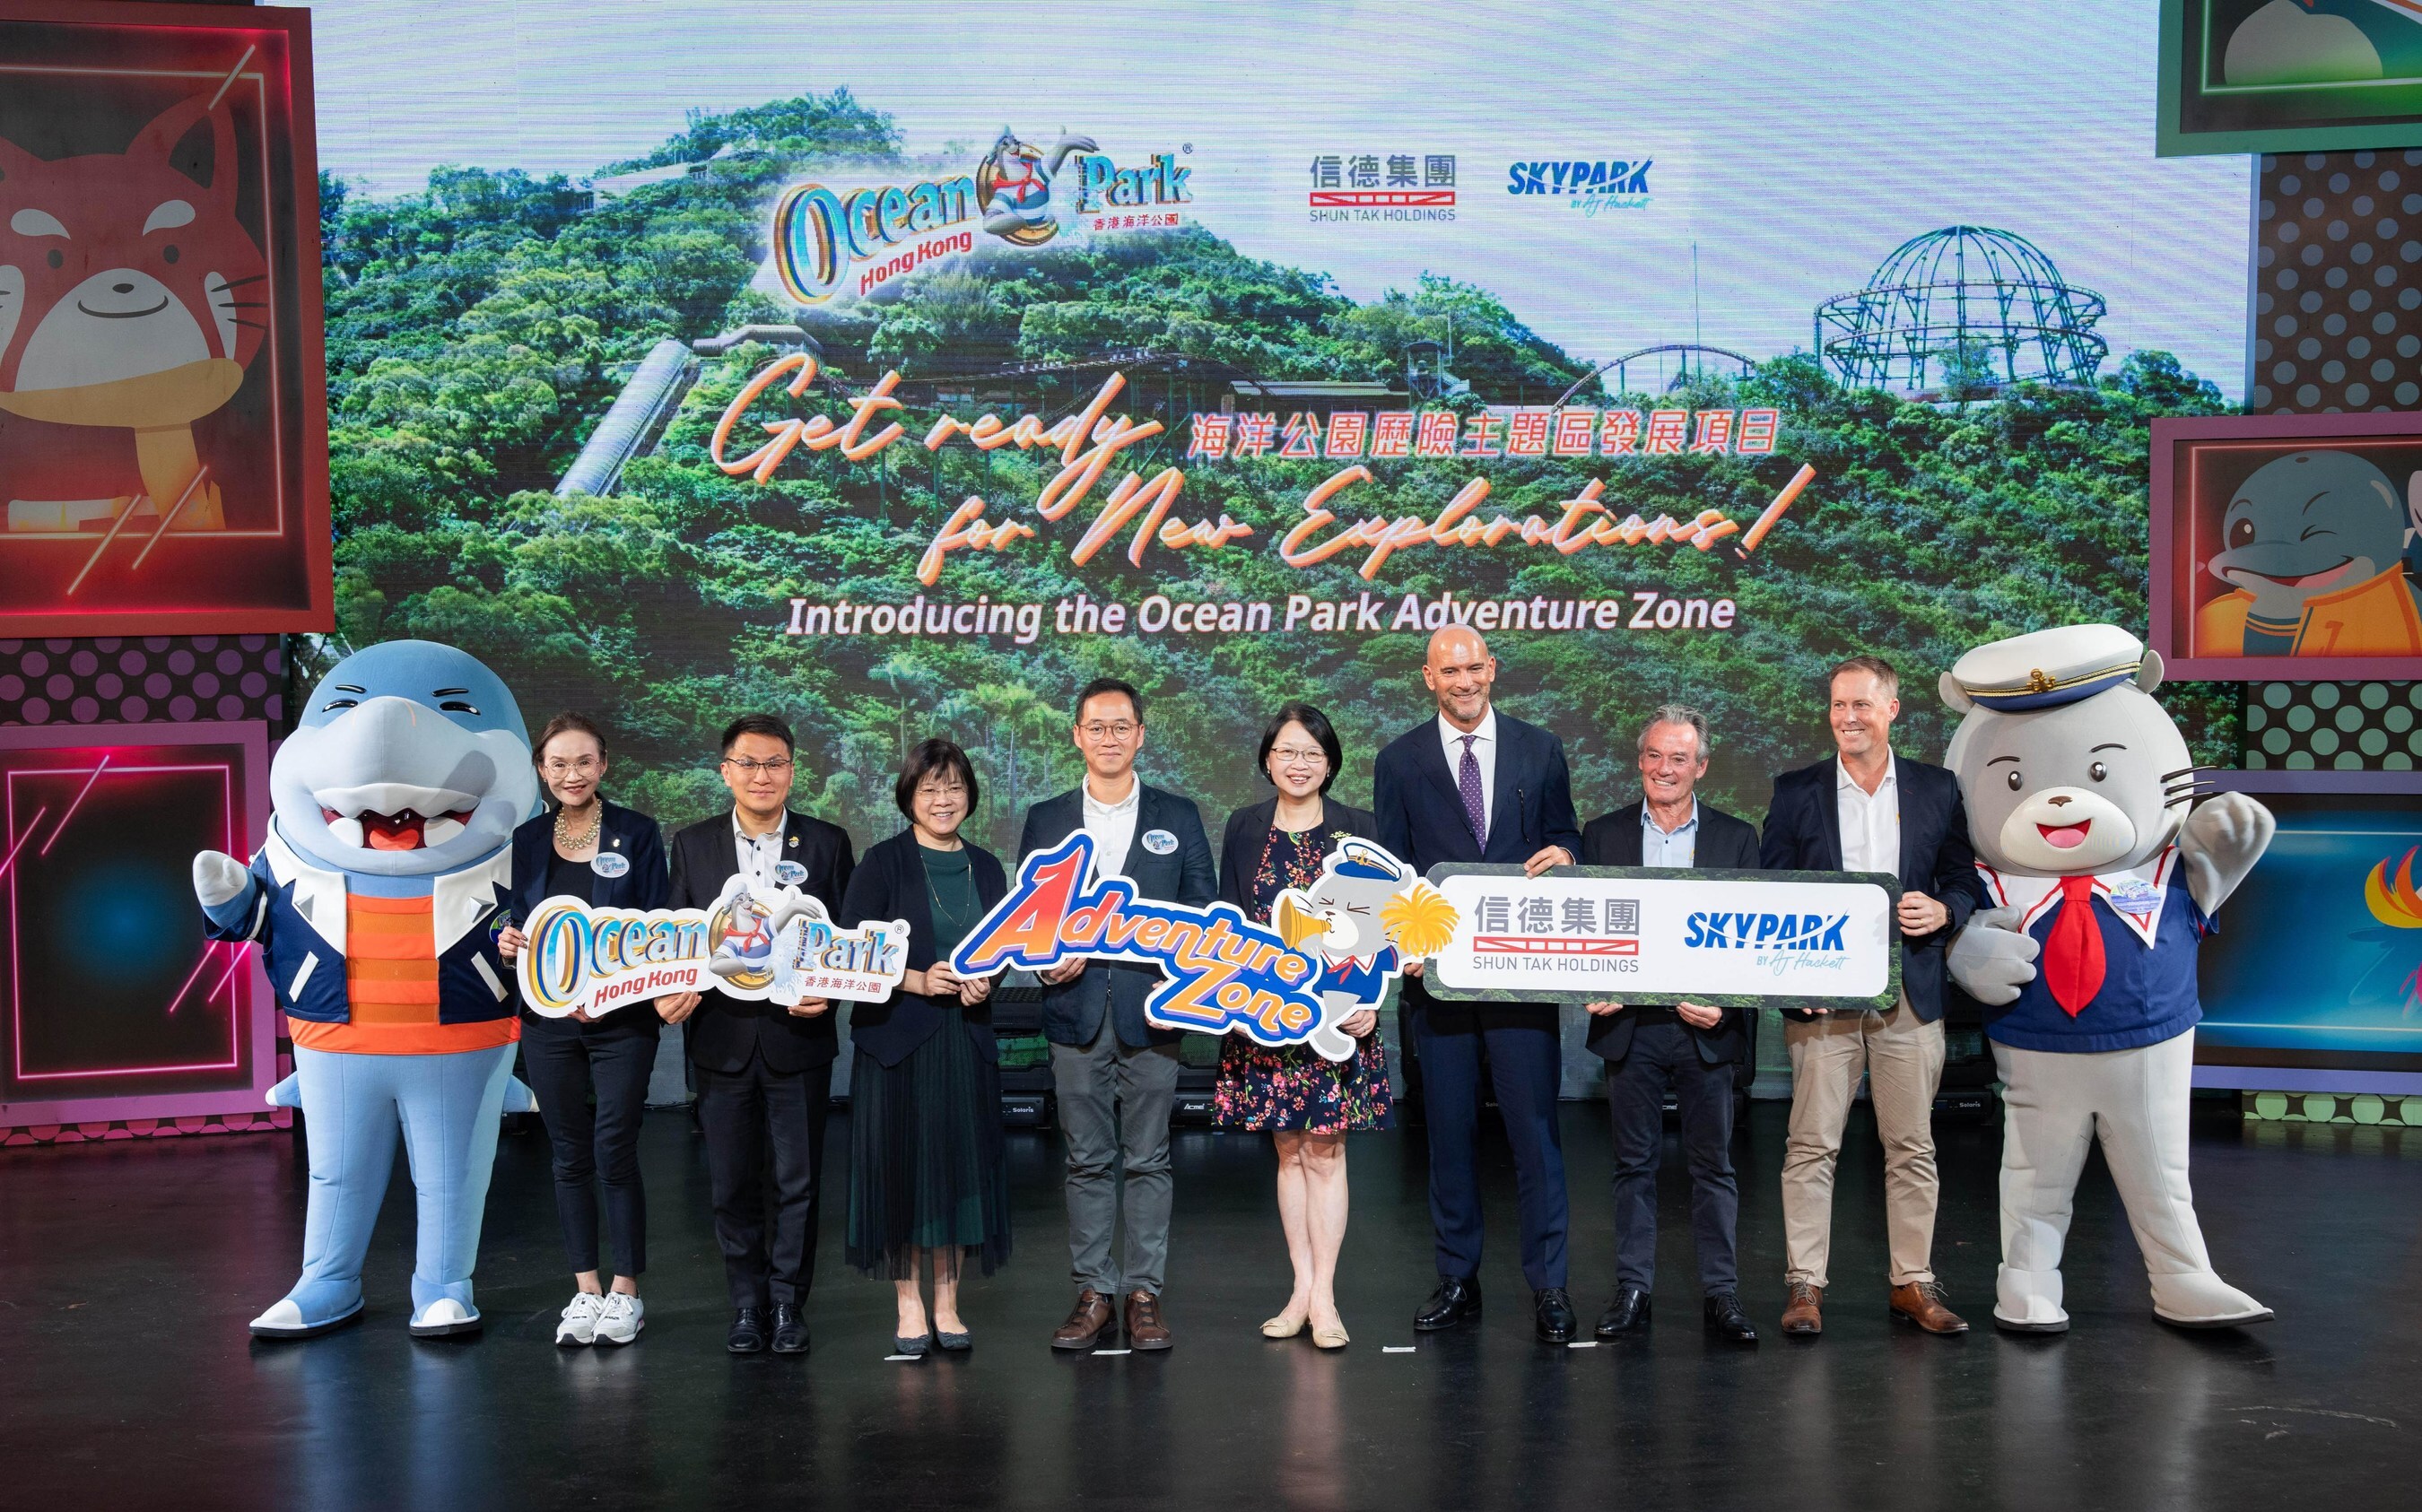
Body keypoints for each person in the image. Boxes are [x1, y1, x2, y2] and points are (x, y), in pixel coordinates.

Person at [1758, 656, 1989, 1338]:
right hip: (1822, 1001)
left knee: (1911, 1146)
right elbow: (1770, 894)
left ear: (1892, 710)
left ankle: (1911, 1284)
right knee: (1810, 1146)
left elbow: (1963, 878)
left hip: (1910, 991)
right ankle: (1805, 1286)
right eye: (1837, 706)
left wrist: (1944, 911)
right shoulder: (1796, 790)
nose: (1848, 718)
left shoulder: (1936, 788)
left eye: (1861, 705)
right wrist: (1790, 990)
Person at [1372, 627, 1583, 1343]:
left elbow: (1566, 836)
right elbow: (1393, 873)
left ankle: (1549, 1286)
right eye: (1449, 670)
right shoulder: (1398, 760)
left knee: (1536, 1135)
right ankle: (1458, 1276)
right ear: (1426, 677)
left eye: (1474, 667)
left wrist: (1568, 853)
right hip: (1441, 982)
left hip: (1523, 976)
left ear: (1492, 669)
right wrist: (1400, 942)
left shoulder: (1540, 748)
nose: (1464, 681)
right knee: (1450, 1136)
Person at [1020, 677, 1215, 1352]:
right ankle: (1093, 1291)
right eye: (1095, 727)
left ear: (1140, 733)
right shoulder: (1046, 819)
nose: (1108, 738)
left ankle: (1143, 1294)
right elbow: (1030, 918)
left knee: (1150, 1159)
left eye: (1120, 726)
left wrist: (1178, 975)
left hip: (1152, 1015)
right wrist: (1046, 962)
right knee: (1085, 1161)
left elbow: (1201, 912)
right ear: (1077, 735)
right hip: (1073, 1012)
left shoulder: (1177, 815)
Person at [659, 713, 857, 1356]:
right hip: (719, 1039)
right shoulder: (691, 845)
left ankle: (786, 1305)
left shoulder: (826, 843)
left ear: (793, 771)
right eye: (749, 763)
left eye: (775, 763)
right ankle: (745, 1304)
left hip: (798, 1040)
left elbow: (848, 943)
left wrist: (830, 988)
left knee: (798, 1181)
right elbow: (677, 938)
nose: (762, 775)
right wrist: (671, 986)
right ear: (726, 772)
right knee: (731, 1181)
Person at [1578, 706, 1759, 1344]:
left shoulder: (1739, 840)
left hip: (1706, 1028)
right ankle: (1633, 1291)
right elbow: (1586, 927)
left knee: (1714, 1167)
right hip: (1633, 1029)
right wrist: (1591, 986)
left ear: (1701, 767)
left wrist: (1728, 1004)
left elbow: (1754, 938)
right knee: (1634, 1166)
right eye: (1654, 755)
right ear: (1639, 761)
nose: (1665, 768)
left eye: (1679, 758)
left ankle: (1722, 1296)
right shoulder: (1600, 836)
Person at [1213, 702, 1391, 1351]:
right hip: (1268, 1017)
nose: (1298, 763)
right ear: (1267, 759)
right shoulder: (1243, 827)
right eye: (1287, 751)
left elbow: (1385, 925)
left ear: (1329, 763)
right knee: (1287, 1151)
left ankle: (1326, 1298)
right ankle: (1299, 1288)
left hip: (1341, 1018)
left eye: (1312, 754)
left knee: (1327, 1149)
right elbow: (1230, 923)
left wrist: (1375, 999)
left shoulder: (1359, 830)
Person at [496, 714, 675, 1348]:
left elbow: (657, 925)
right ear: (542, 772)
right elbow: (518, 920)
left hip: (620, 1018)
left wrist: (612, 992)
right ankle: (586, 1289)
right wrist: (509, 941)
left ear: (604, 765)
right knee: (567, 1153)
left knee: (614, 1147)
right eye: (558, 764)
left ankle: (627, 1292)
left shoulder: (637, 833)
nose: (571, 774)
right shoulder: (527, 838)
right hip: (548, 1019)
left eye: (584, 762)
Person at [837, 739, 1013, 1357]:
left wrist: (987, 981)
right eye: (930, 788)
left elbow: (1005, 950)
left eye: (955, 787)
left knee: (961, 1175)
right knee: (905, 1174)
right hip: (898, 1045)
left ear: (970, 795)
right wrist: (914, 979)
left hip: (966, 1045)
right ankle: (908, 1306)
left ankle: (948, 1305)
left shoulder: (988, 867)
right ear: (909, 794)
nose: (944, 800)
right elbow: (847, 953)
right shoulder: (882, 863)